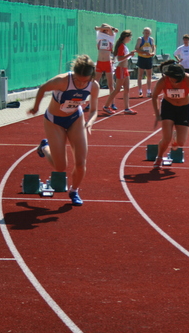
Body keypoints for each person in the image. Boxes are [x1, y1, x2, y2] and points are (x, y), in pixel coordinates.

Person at [28, 54, 99, 206]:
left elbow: (94, 110)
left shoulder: (94, 86)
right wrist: (35, 107)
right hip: (54, 121)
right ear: (74, 74)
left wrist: (90, 122)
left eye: (85, 81)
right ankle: (44, 147)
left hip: (76, 119)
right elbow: (43, 88)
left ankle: (74, 191)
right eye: (78, 80)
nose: (81, 84)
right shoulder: (62, 80)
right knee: (60, 167)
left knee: (81, 162)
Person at [151, 60, 189, 169]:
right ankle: (159, 157)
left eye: (175, 80)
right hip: (168, 107)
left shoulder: (188, 79)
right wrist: (157, 113)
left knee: (181, 142)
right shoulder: (163, 81)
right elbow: (154, 95)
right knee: (166, 139)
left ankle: (175, 141)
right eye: (171, 79)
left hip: (183, 108)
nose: (173, 82)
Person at [102, 30, 137, 115]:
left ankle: (127, 108)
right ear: (126, 37)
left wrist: (130, 55)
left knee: (127, 89)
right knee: (117, 89)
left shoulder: (124, 45)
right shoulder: (121, 46)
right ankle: (106, 106)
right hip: (121, 69)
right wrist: (130, 54)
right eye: (130, 37)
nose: (131, 39)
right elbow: (120, 58)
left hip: (125, 69)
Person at [94, 24, 118, 109]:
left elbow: (108, 29)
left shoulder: (111, 37)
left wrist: (111, 28)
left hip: (108, 63)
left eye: (106, 29)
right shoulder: (99, 35)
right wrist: (109, 28)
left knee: (111, 85)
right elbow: (97, 28)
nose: (105, 30)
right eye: (103, 29)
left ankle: (113, 103)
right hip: (99, 63)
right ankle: (91, 103)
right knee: (95, 84)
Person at [135, 27, 156, 98]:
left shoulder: (151, 39)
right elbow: (136, 48)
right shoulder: (140, 39)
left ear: (150, 33)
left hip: (149, 58)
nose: (147, 34)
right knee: (140, 75)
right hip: (142, 58)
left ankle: (149, 91)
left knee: (149, 76)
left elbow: (153, 47)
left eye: (148, 33)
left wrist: (153, 52)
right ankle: (140, 91)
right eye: (145, 32)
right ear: (143, 33)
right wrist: (144, 52)